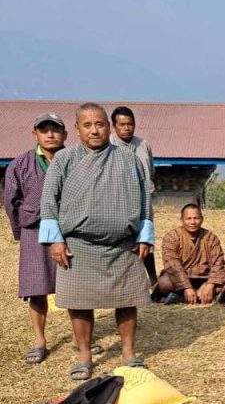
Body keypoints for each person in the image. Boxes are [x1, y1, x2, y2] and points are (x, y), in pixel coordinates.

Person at [39, 103, 154, 380]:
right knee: (79, 302)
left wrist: (145, 234)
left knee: (127, 300)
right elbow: (48, 201)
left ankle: (128, 353)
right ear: (77, 130)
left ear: (108, 127)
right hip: (78, 245)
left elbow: (145, 199)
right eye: (87, 125)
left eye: (100, 124)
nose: (94, 130)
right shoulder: (65, 160)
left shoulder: (129, 159)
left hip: (122, 245)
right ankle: (84, 355)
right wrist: (55, 241)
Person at [3, 113, 67, 364]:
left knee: (73, 285)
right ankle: (39, 340)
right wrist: (20, 230)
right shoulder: (20, 164)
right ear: (35, 135)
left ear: (65, 134)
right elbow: (10, 200)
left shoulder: (74, 160)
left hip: (68, 230)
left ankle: (80, 337)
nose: (50, 135)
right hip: (34, 230)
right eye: (44, 130)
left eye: (55, 130)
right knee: (36, 288)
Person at [110, 105, 157, 284]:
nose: (126, 128)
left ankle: (153, 282)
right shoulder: (108, 146)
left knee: (146, 240)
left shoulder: (143, 145)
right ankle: (123, 281)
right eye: (122, 124)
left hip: (143, 200)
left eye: (130, 124)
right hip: (117, 202)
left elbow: (150, 171)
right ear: (114, 126)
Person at [153, 204, 225, 305]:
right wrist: (187, 287)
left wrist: (209, 285)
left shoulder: (211, 237)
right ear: (182, 220)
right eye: (188, 219)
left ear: (202, 219)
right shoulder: (172, 237)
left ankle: (182, 298)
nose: (192, 222)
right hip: (180, 279)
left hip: (205, 278)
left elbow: (218, 263)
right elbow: (173, 266)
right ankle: (197, 296)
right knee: (164, 283)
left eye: (196, 218)